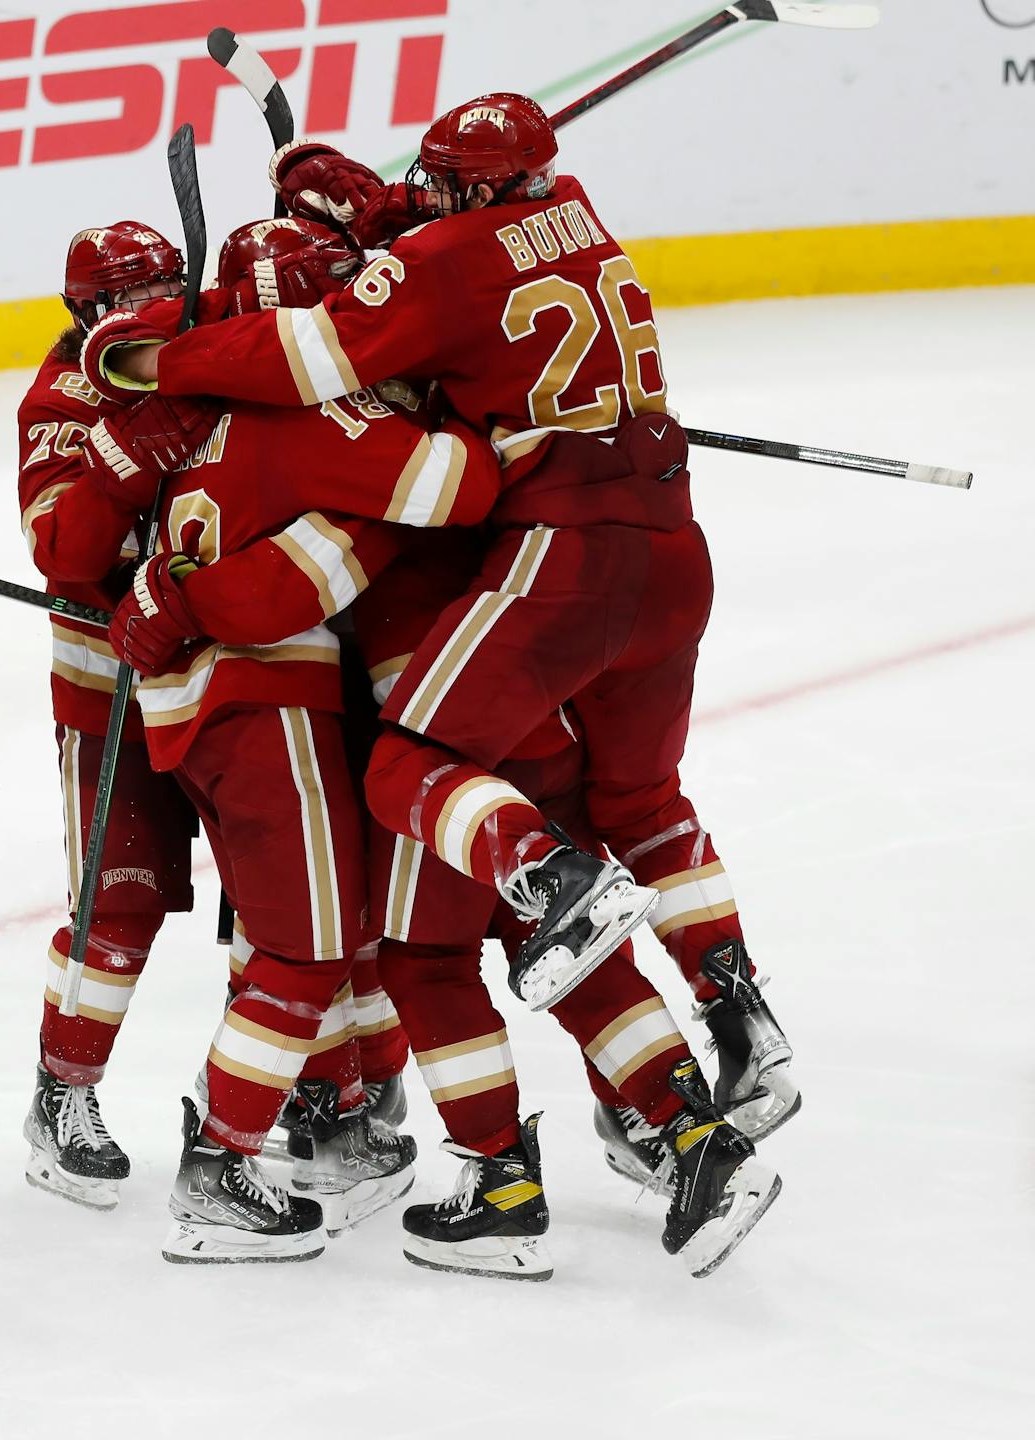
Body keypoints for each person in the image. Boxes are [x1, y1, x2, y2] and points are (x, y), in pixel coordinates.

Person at [87, 96, 798, 1124]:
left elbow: (312, 358)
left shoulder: (437, 270)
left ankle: (549, 885)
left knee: (409, 775)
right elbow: (468, 246)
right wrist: (383, 213)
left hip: (564, 557)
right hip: (674, 543)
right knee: (644, 804)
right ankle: (739, 1016)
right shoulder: (585, 212)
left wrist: (160, 359)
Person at [102, 222, 509, 1258]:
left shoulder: (201, 410)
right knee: (308, 948)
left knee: (306, 930)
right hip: (266, 705)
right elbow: (461, 485)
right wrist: (446, 401)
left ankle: (323, 1123)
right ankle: (220, 1173)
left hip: (196, 717)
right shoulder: (312, 418)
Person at [351, 531, 779, 1278]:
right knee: (581, 957)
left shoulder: (374, 445)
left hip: (437, 735)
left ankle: (501, 1185)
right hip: (542, 718)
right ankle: (697, 1139)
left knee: (427, 964)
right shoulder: (472, 445)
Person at [13, 220, 204, 1210]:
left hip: (230, 677)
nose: (152, 312)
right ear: (86, 314)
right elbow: (61, 549)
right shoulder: (62, 400)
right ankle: (64, 1096)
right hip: (111, 693)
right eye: (133, 297)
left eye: (167, 287)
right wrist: (126, 461)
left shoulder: (202, 349)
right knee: (117, 903)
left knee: (284, 905)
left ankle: (317, 1097)